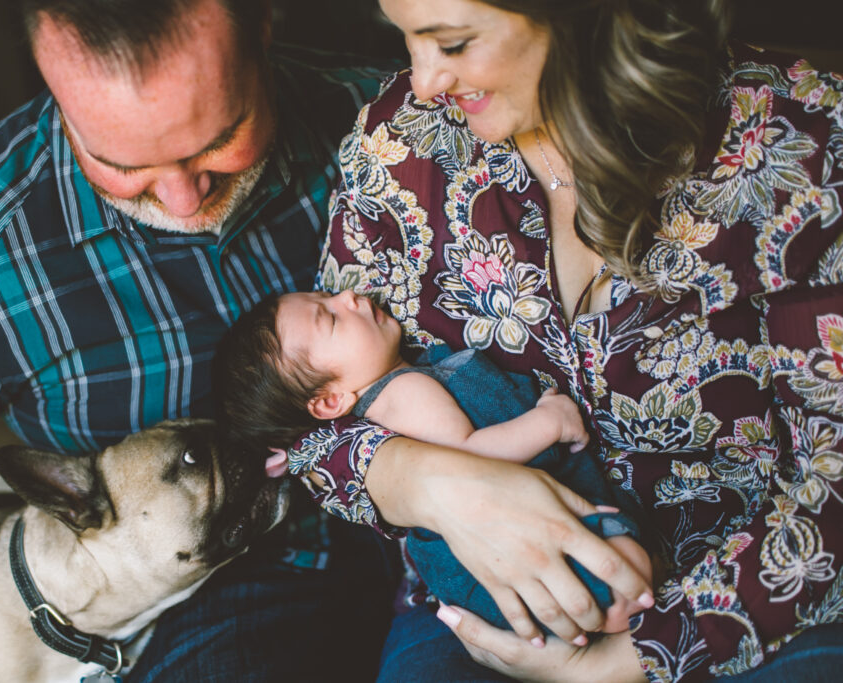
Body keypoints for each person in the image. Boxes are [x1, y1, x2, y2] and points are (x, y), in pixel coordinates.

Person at [0, 1, 398, 681]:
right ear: (50, 81)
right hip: (222, 592)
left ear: (264, 24)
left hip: (438, 509)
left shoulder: (385, 118)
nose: (183, 198)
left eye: (219, 138)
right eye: (119, 161)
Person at [284, 0, 843, 681]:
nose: (423, 79)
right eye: (405, 40)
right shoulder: (404, 137)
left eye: (452, 43)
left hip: (751, 609)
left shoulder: (795, 141)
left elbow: (833, 482)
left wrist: (633, 659)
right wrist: (432, 483)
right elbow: (304, 419)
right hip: (489, 608)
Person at [214, 287, 653, 634]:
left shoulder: (402, 386)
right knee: (625, 564)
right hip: (501, 554)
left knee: (624, 566)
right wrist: (549, 423)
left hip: (501, 554)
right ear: (330, 401)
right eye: (329, 316)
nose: (346, 297)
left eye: (326, 296)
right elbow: (471, 460)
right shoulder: (403, 393)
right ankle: (611, 618)